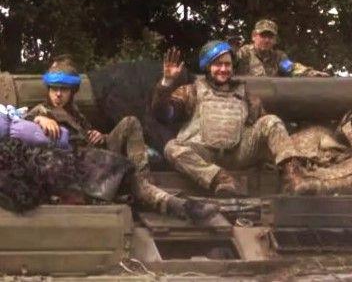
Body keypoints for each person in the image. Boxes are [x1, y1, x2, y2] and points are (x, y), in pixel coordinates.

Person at [26, 55, 216, 220]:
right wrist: (39, 118)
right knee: (136, 185)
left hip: (96, 158)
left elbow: (88, 137)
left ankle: (144, 180)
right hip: (77, 169)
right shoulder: (43, 111)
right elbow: (18, 126)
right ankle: (171, 202)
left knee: (130, 122)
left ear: (72, 92)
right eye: (54, 89)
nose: (58, 94)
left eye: (64, 89)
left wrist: (101, 136)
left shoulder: (75, 113)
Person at [152, 41, 308, 196]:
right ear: (208, 67)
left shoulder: (246, 96)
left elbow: (265, 127)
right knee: (172, 148)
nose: (223, 69)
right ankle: (221, 179)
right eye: (218, 64)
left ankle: (293, 177)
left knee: (272, 121)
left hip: (239, 153)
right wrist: (167, 83)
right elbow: (165, 114)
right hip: (203, 153)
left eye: (227, 65)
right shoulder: (191, 91)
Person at [235, 19, 329, 77]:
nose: (267, 40)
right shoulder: (244, 53)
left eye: (270, 37)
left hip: (271, 101)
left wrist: (313, 74)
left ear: (275, 40)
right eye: (263, 36)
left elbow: (292, 69)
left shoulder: (278, 57)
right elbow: (227, 66)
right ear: (253, 36)